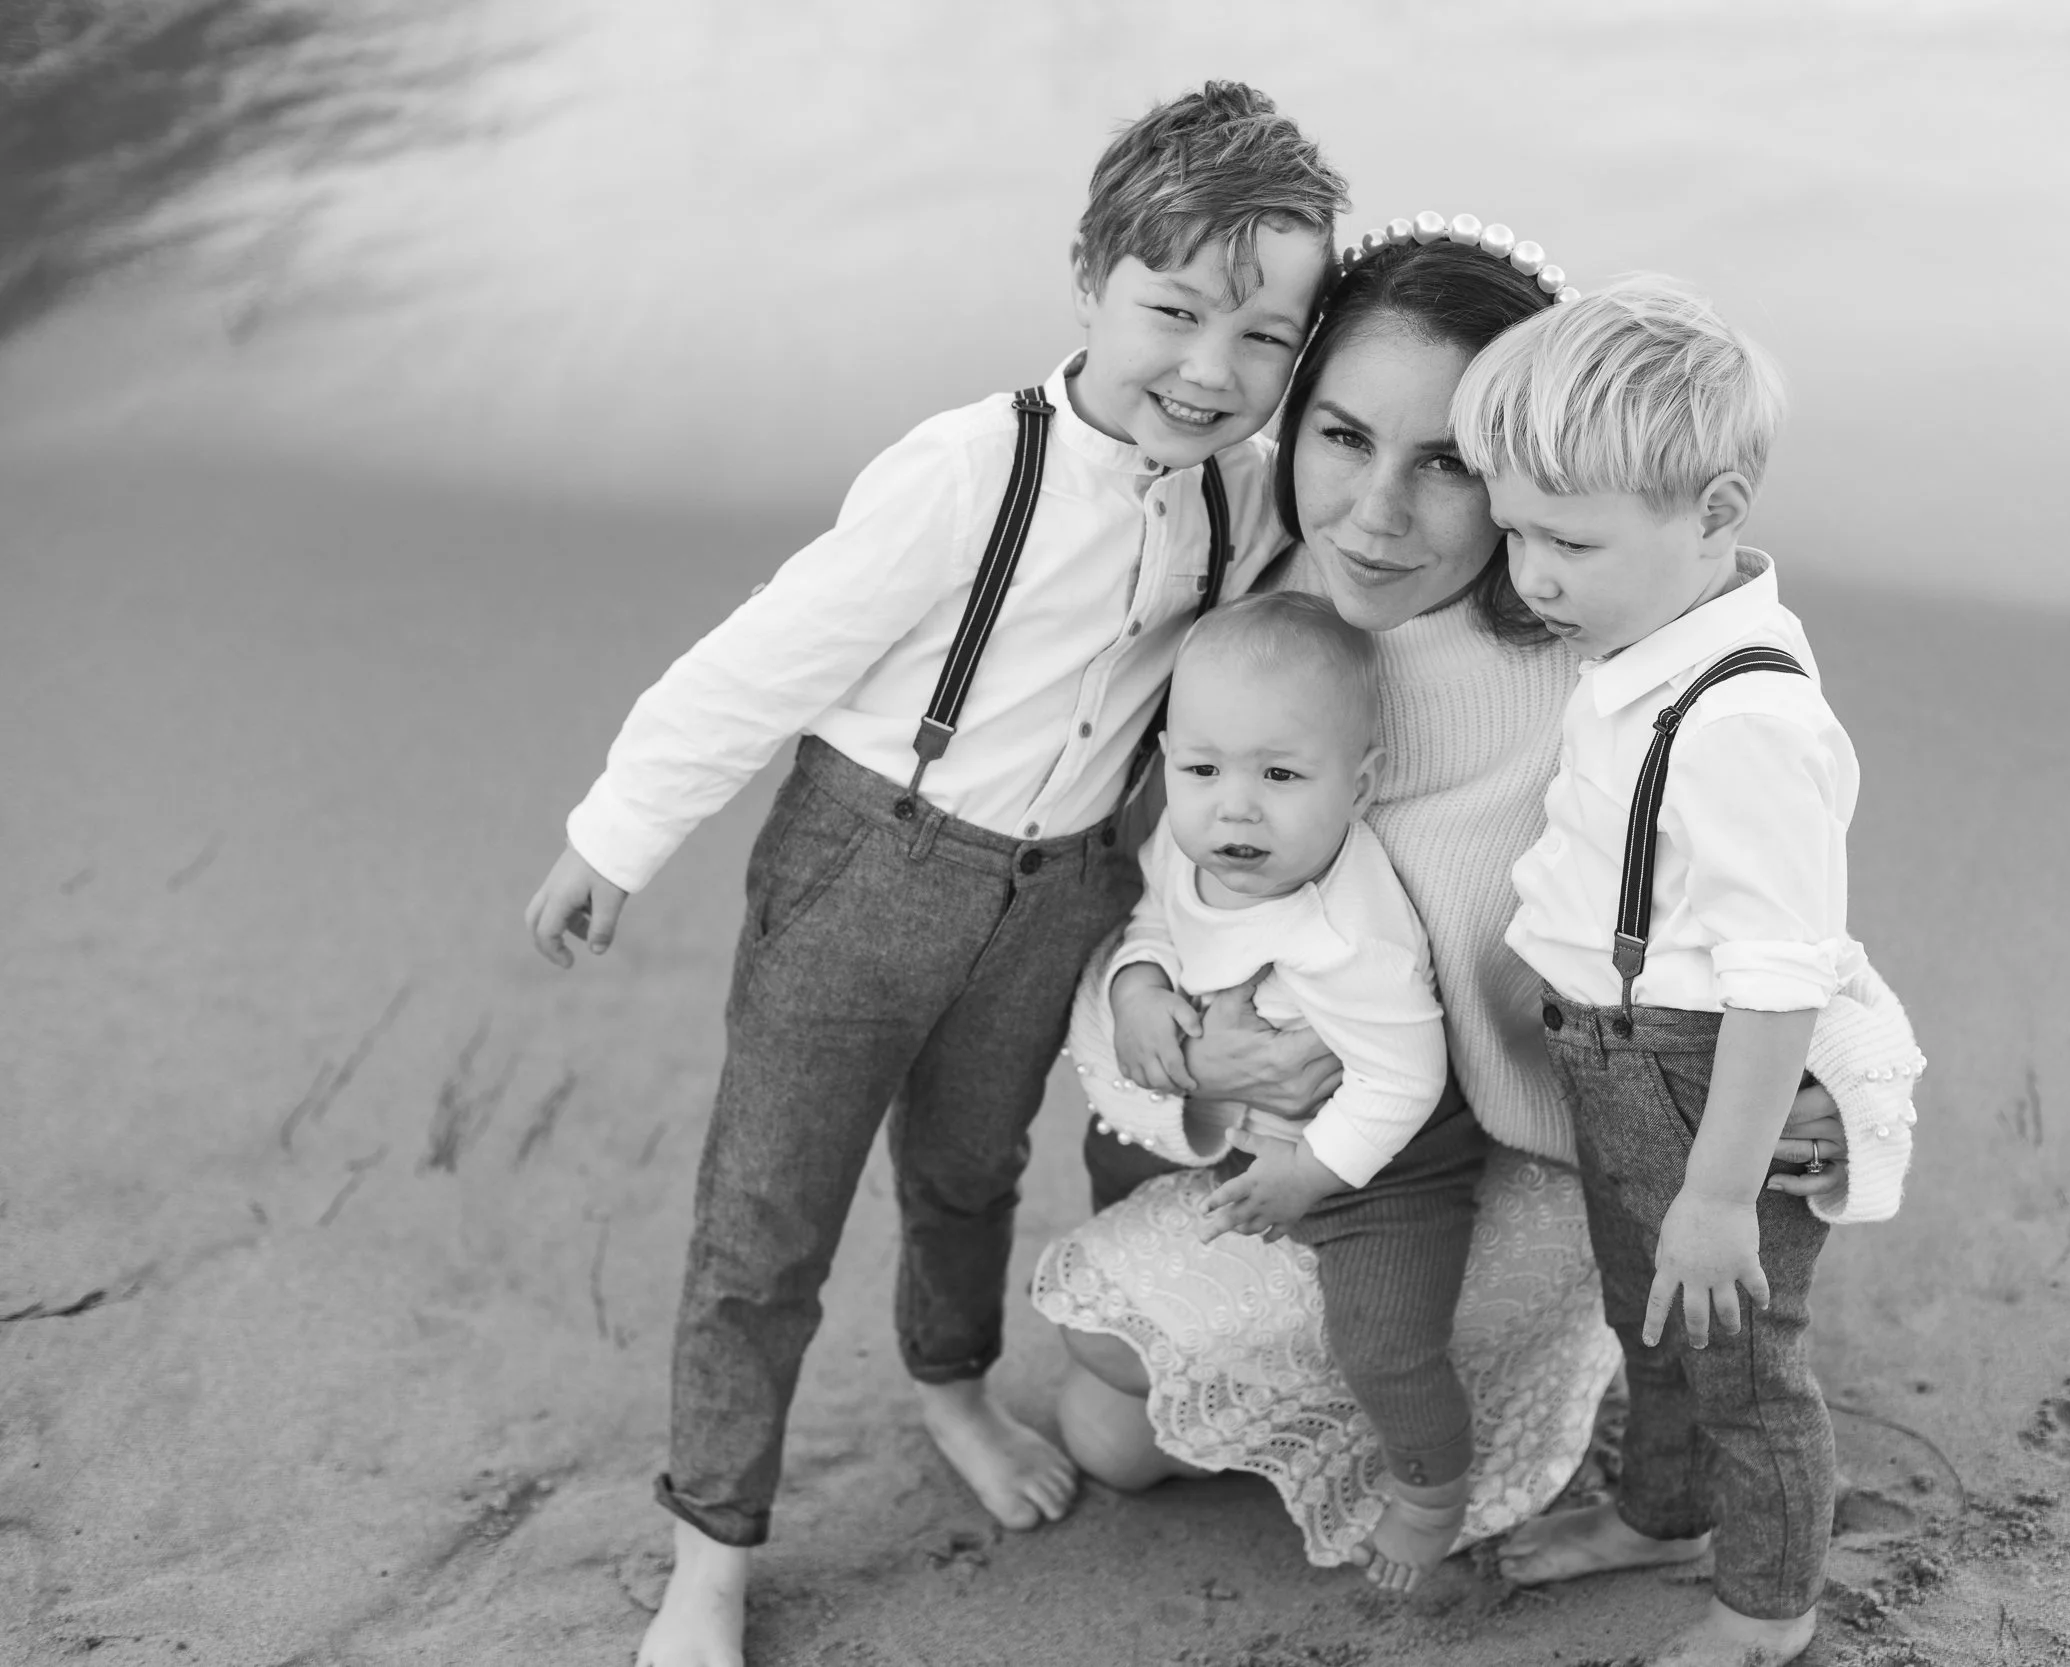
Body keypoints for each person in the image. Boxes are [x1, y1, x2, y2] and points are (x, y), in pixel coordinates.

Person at [519, 82, 1345, 1667]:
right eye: (1174, 312)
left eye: (1263, 339)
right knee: (768, 1214)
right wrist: (617, 831)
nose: (1211, 369)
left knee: (971, 1170)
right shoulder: (971, 470)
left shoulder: (1239, 494)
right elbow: (759, 661)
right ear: (1090, 277)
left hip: (1061, 893)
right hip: (868, 866)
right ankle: (711, 1550)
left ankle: (951, 1383)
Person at [1034, 222, 1921, 1596]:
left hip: (1519, 1157)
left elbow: (1785, 912)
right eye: (1342, 437)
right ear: (1290, 423)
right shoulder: (1247, 614)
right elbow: (1146, 894)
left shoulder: (1595, 664)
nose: (1376, 514)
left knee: (1123, 1387)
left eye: (1446, 463)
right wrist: (1195, 1052)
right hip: (1296, 1128)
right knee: (1108, 1420)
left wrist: (1843, 1089)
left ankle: (1526, 1405)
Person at [1454, 273, 1895, 1666]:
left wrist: (1717, 1190)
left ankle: (1767, 1606)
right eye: (1514, 530)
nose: (1531, 574)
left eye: (1568, 541)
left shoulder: (1746, 717)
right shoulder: (1641, 643)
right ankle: (1661, 1511)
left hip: (1707, 1081)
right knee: (1647, 1320)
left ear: (1713, 511)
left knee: (1745, 1363)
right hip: (1615, 1055)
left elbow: (1778, 975)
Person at [1106, 590, 1479, 1592]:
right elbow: (1159, 916)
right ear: (1168, 761)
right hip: (1258, 1134)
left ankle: (1430, 1492)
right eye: (1203, 769)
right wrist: (1137, 984)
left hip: (1386, 1167)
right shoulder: (1189, 841)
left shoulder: (1348, 934)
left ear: (1360, 785)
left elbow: (1404, 1079)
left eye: (1279, 774)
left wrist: (1312, 1173)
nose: (1235, 806)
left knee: (1385, 1339)